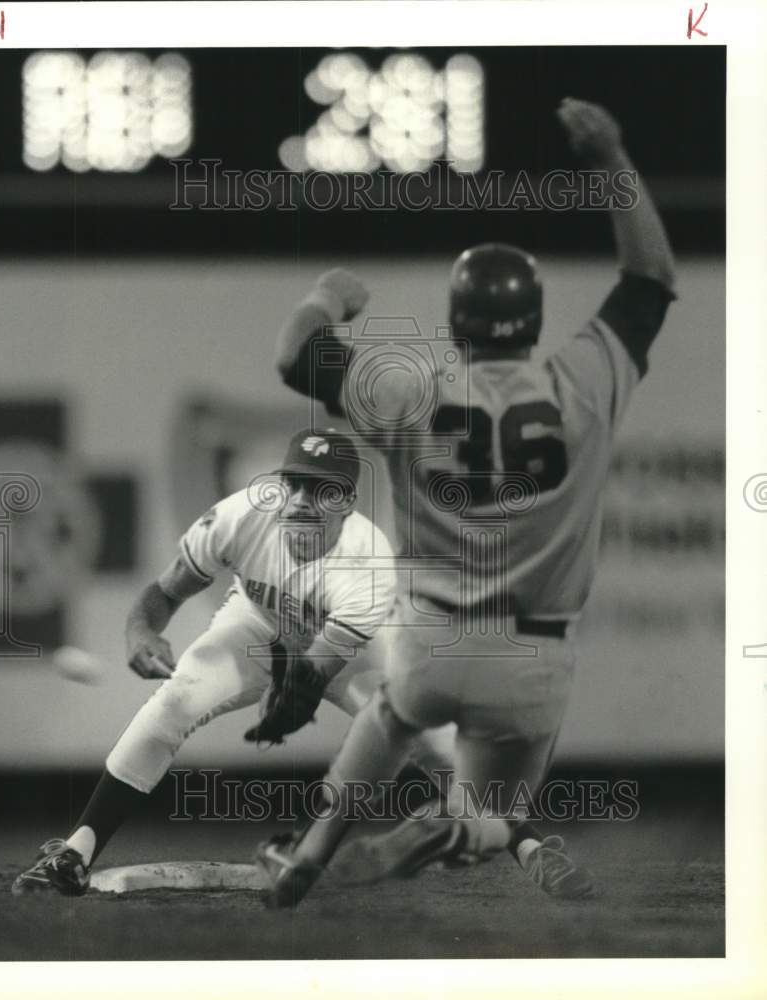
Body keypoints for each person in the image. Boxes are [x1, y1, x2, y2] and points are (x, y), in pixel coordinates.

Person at [255, 97, 676, 907]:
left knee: (387, 715)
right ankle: (453, 829)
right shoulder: (583, 382)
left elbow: (292, 356)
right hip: (534, 655)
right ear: (534, 320)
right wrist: (611, 154)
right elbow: (650, 279)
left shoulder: (410, 389)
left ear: (457, 326)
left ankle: (306, 853)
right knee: (496, 816)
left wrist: (324, 297)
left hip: (430, 644)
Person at [11, 427, 457, 895]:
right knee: (174, 702)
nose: (303, 500)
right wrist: (141, 631)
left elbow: (307, 680)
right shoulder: (239, 516)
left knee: (432, 741)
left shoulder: (368, 562)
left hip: (346, 650)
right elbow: (163, 593)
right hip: (257, 622)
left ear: (347, 501)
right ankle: (78, 851)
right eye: (296, 484)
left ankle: (525, 846)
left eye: (322, 490)